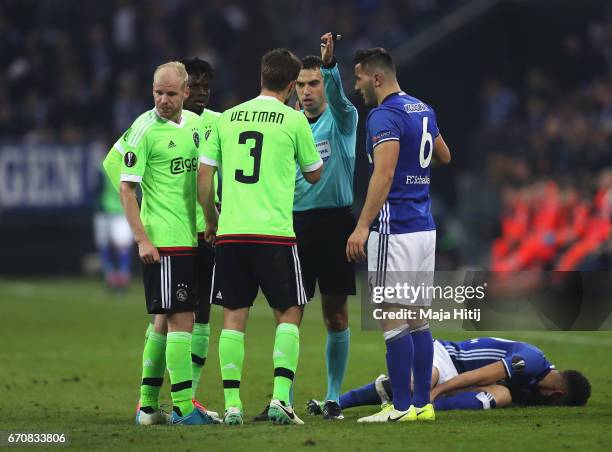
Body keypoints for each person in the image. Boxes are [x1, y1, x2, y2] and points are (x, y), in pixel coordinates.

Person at [198, 48, 323, 425]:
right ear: (290, 85)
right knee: (288, 313)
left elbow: (204, 179)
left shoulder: (228, 118)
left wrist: (211, 219)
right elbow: (315, 172)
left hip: (232, 233)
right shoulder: (293, 119)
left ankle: (233, 404)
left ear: (261, 79)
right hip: (274, 235)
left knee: (233, 318)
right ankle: (281, 400)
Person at [347, 47, 451, 423]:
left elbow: (384, 174)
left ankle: (401, 406)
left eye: (358, 78)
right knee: (418, 318)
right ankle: (422, 404)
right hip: (424, 227)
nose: (356, 86)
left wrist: (361, 226)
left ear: (376, 78)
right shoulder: (423, 109)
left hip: (396, 227)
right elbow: (444, 155)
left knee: (392, 316)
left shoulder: (383, 115)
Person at [114, 61, 217, 426]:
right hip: (164, 240)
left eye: (171, 93)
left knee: (164, 321)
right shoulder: (143, 129)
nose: (163, 100)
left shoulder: (195, 126)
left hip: (188, 237)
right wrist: (142, 239)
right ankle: (184, 408)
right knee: (182, 319)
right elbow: (126, 188)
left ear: (185, 93)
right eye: (158, 92)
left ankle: (146, 406)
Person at [336, 337, 591, 412]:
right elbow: (480, 375)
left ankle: (425, 407)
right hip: (446, 357)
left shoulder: (532, 385)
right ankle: (338, 403)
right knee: (419, 385)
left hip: (460, 378)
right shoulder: (531, 361)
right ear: (557, 394)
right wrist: (436, 390)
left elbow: (490, 385)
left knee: (502, 395)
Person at [93, 161, 133, 290]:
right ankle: (121, 275)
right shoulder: (131, 162)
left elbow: (96, 189)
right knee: (122, 246)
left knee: (107, 245)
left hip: (109, 211)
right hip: (121, 210)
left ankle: (112, 275)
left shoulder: (103, 165)